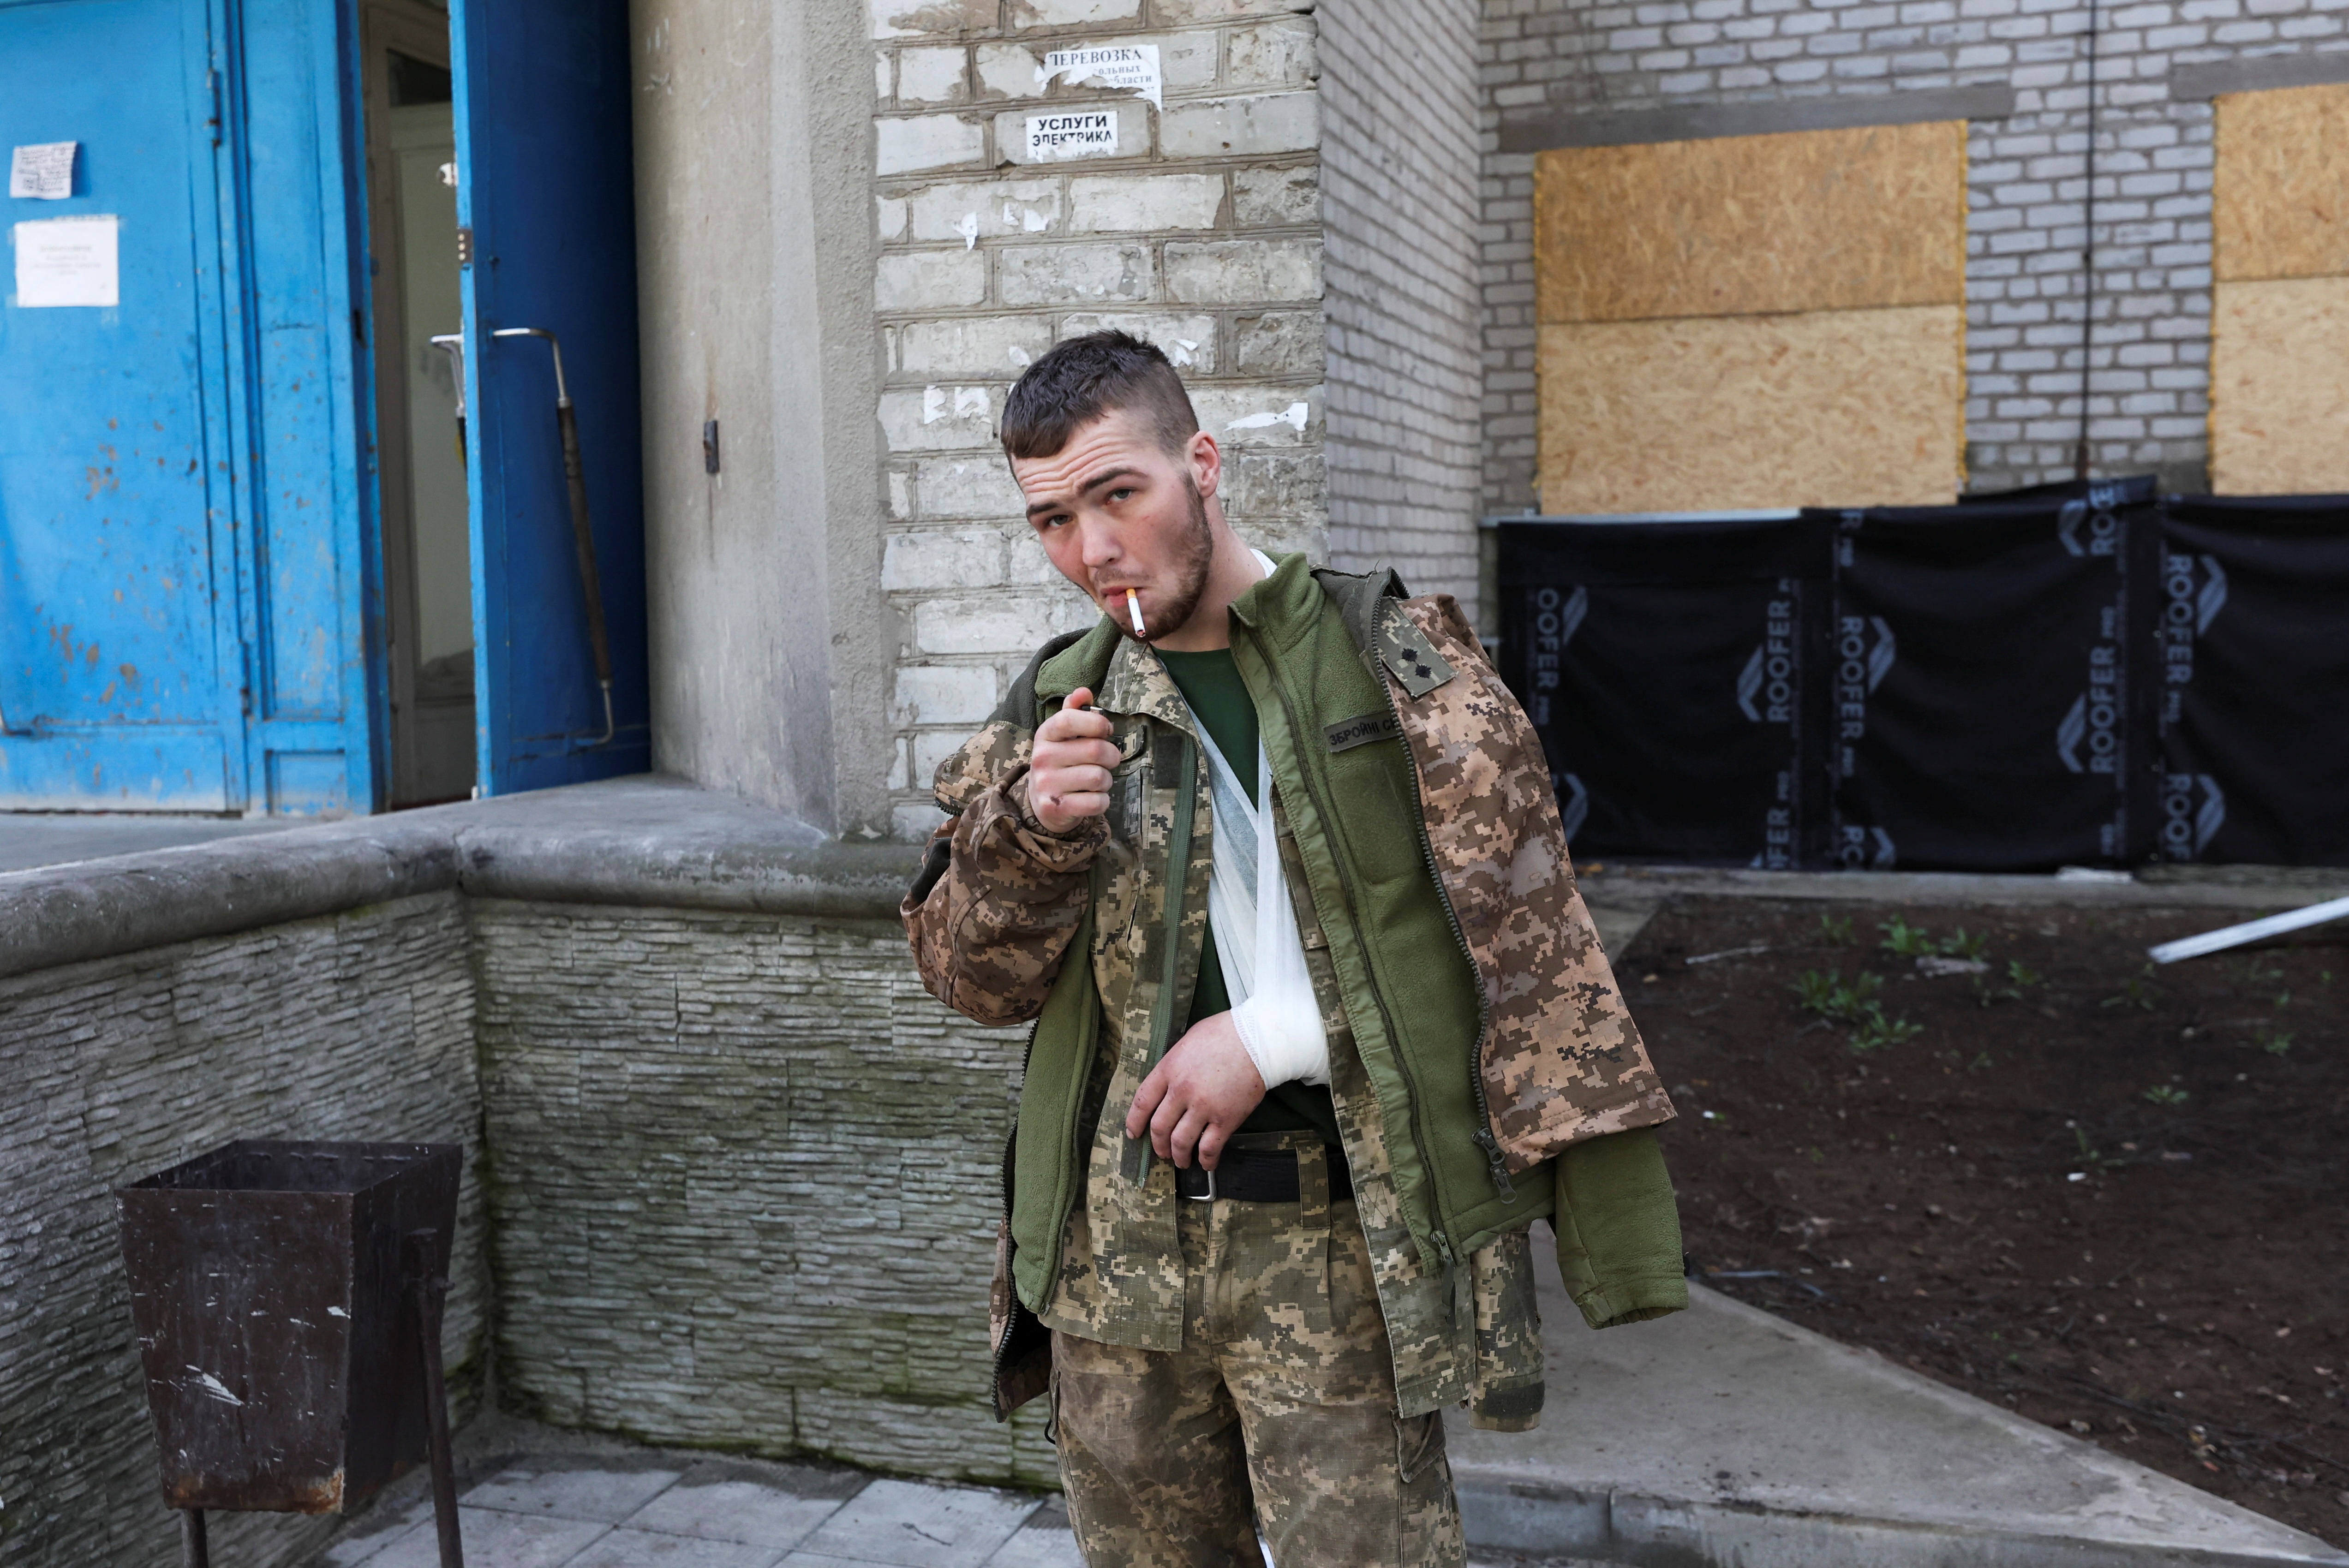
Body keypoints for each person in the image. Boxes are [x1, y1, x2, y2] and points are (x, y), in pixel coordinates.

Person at [901, 331, 1686, 1568]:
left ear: (1200, 466)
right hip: (1115, 1263)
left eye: (1120, 494)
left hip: (1330, 1251)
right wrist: (1029, 835)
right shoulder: (1061, 708)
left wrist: (1268, 1036)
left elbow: (1527, 957)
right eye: (1051, 520)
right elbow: (968, 983)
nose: (1092, 551)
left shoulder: (1397, 673)